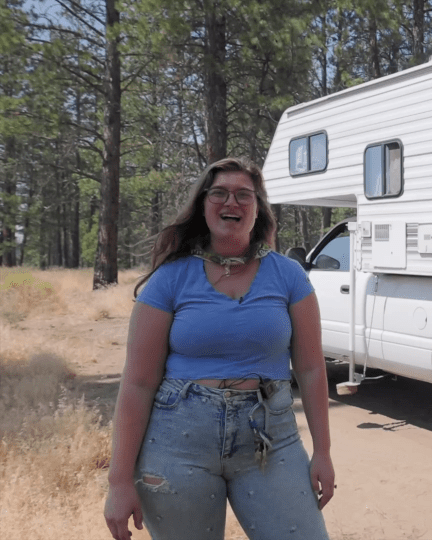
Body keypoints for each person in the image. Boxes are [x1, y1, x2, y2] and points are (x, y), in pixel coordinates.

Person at [103, 157, 335, 540]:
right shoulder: (170, 278)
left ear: (258, 208)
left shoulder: (288, 275)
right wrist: (118, 480)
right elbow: (138, 383)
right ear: (203, 204)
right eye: (220, 193)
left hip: (272, 441)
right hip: (178, 440)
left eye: (244, 195)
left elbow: (310, 369)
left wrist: (323, 452)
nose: (232, 203)